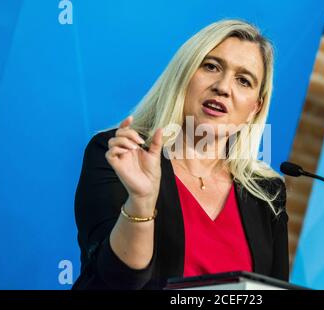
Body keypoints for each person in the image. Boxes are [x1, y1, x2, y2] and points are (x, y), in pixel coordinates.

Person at [73, 19, 289, 290]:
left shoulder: (267, 193)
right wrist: (141, 201)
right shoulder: (121, 154)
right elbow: (117, 281)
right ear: (184, 74)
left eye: (243, 80)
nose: (223, 87)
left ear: (254, 109)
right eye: (211, 66)